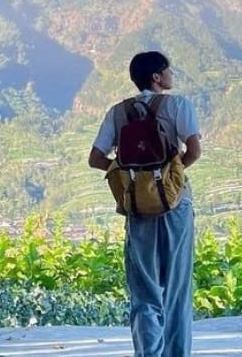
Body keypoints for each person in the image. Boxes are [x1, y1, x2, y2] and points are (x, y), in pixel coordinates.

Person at [88, 50, 202, 357]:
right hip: (174, 205)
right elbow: (193, 151)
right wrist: (168, 178)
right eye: (168, 70)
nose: (171, 75)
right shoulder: (179, 105)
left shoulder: (118, 112)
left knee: (144, 291)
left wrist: (135, 178)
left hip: (138, 206)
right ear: (157, 76)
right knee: (176, 289)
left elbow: (95, 159)